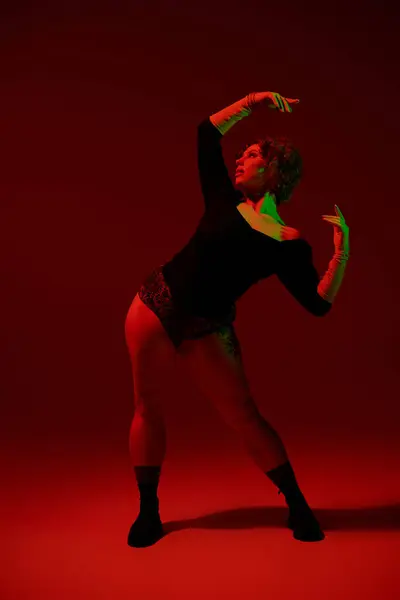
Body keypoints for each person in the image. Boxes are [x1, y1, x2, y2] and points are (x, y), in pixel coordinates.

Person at [124, 91, 350, 548]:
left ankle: (297, 505)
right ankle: (149, 512)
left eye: (251, 156)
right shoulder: (223, 199)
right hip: (157, 303)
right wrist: (254, 100)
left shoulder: (288, 243)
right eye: (242, 155)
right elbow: (207, 133)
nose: (239, 161)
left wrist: (341, 254)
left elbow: (317, 304)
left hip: (209, 325)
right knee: (148, 406)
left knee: (245, 416)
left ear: (275, 172)